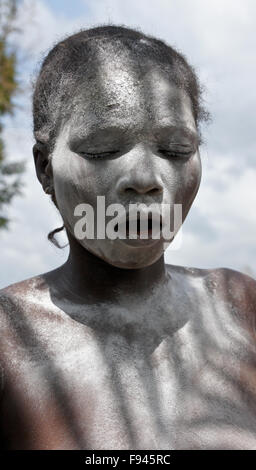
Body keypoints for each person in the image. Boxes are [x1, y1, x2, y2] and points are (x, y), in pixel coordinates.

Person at [0, 25, 256, 450]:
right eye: (102, 150)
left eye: (175, 151)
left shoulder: (239, 307)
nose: (144, 179)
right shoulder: (10, 339)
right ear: (45, 168)